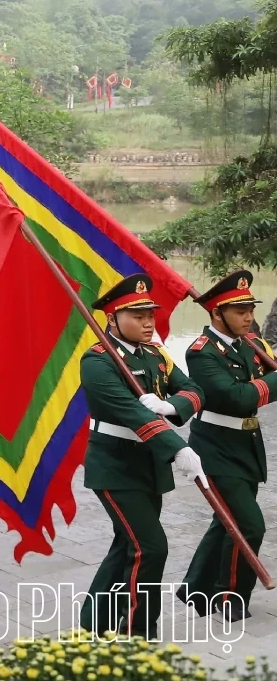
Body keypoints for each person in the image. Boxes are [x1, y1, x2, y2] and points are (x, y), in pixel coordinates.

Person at [78, 274, 205, 639]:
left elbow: (193, 390)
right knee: (150, 548)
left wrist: (171, 404)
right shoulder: (98, 361)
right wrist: (178, 447)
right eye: (139, 316)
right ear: (112, 319)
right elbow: (132, 415)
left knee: (127, 545)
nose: (149, 322)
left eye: (151, 314)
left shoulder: (155, 355)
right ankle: (138, 631)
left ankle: (93, 623)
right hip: (115, 466)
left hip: (148, 465)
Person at [180, 271, 277, 621]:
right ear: (216, 314)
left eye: (250, 308)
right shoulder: (201, 352)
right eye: (239, 310)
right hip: (215, 448)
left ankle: (195, 588)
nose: (248, 316)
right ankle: (230, 597)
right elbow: (235, 398)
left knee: (227, 520)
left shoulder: (249, 342)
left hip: (246, 445)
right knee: (249, 524)